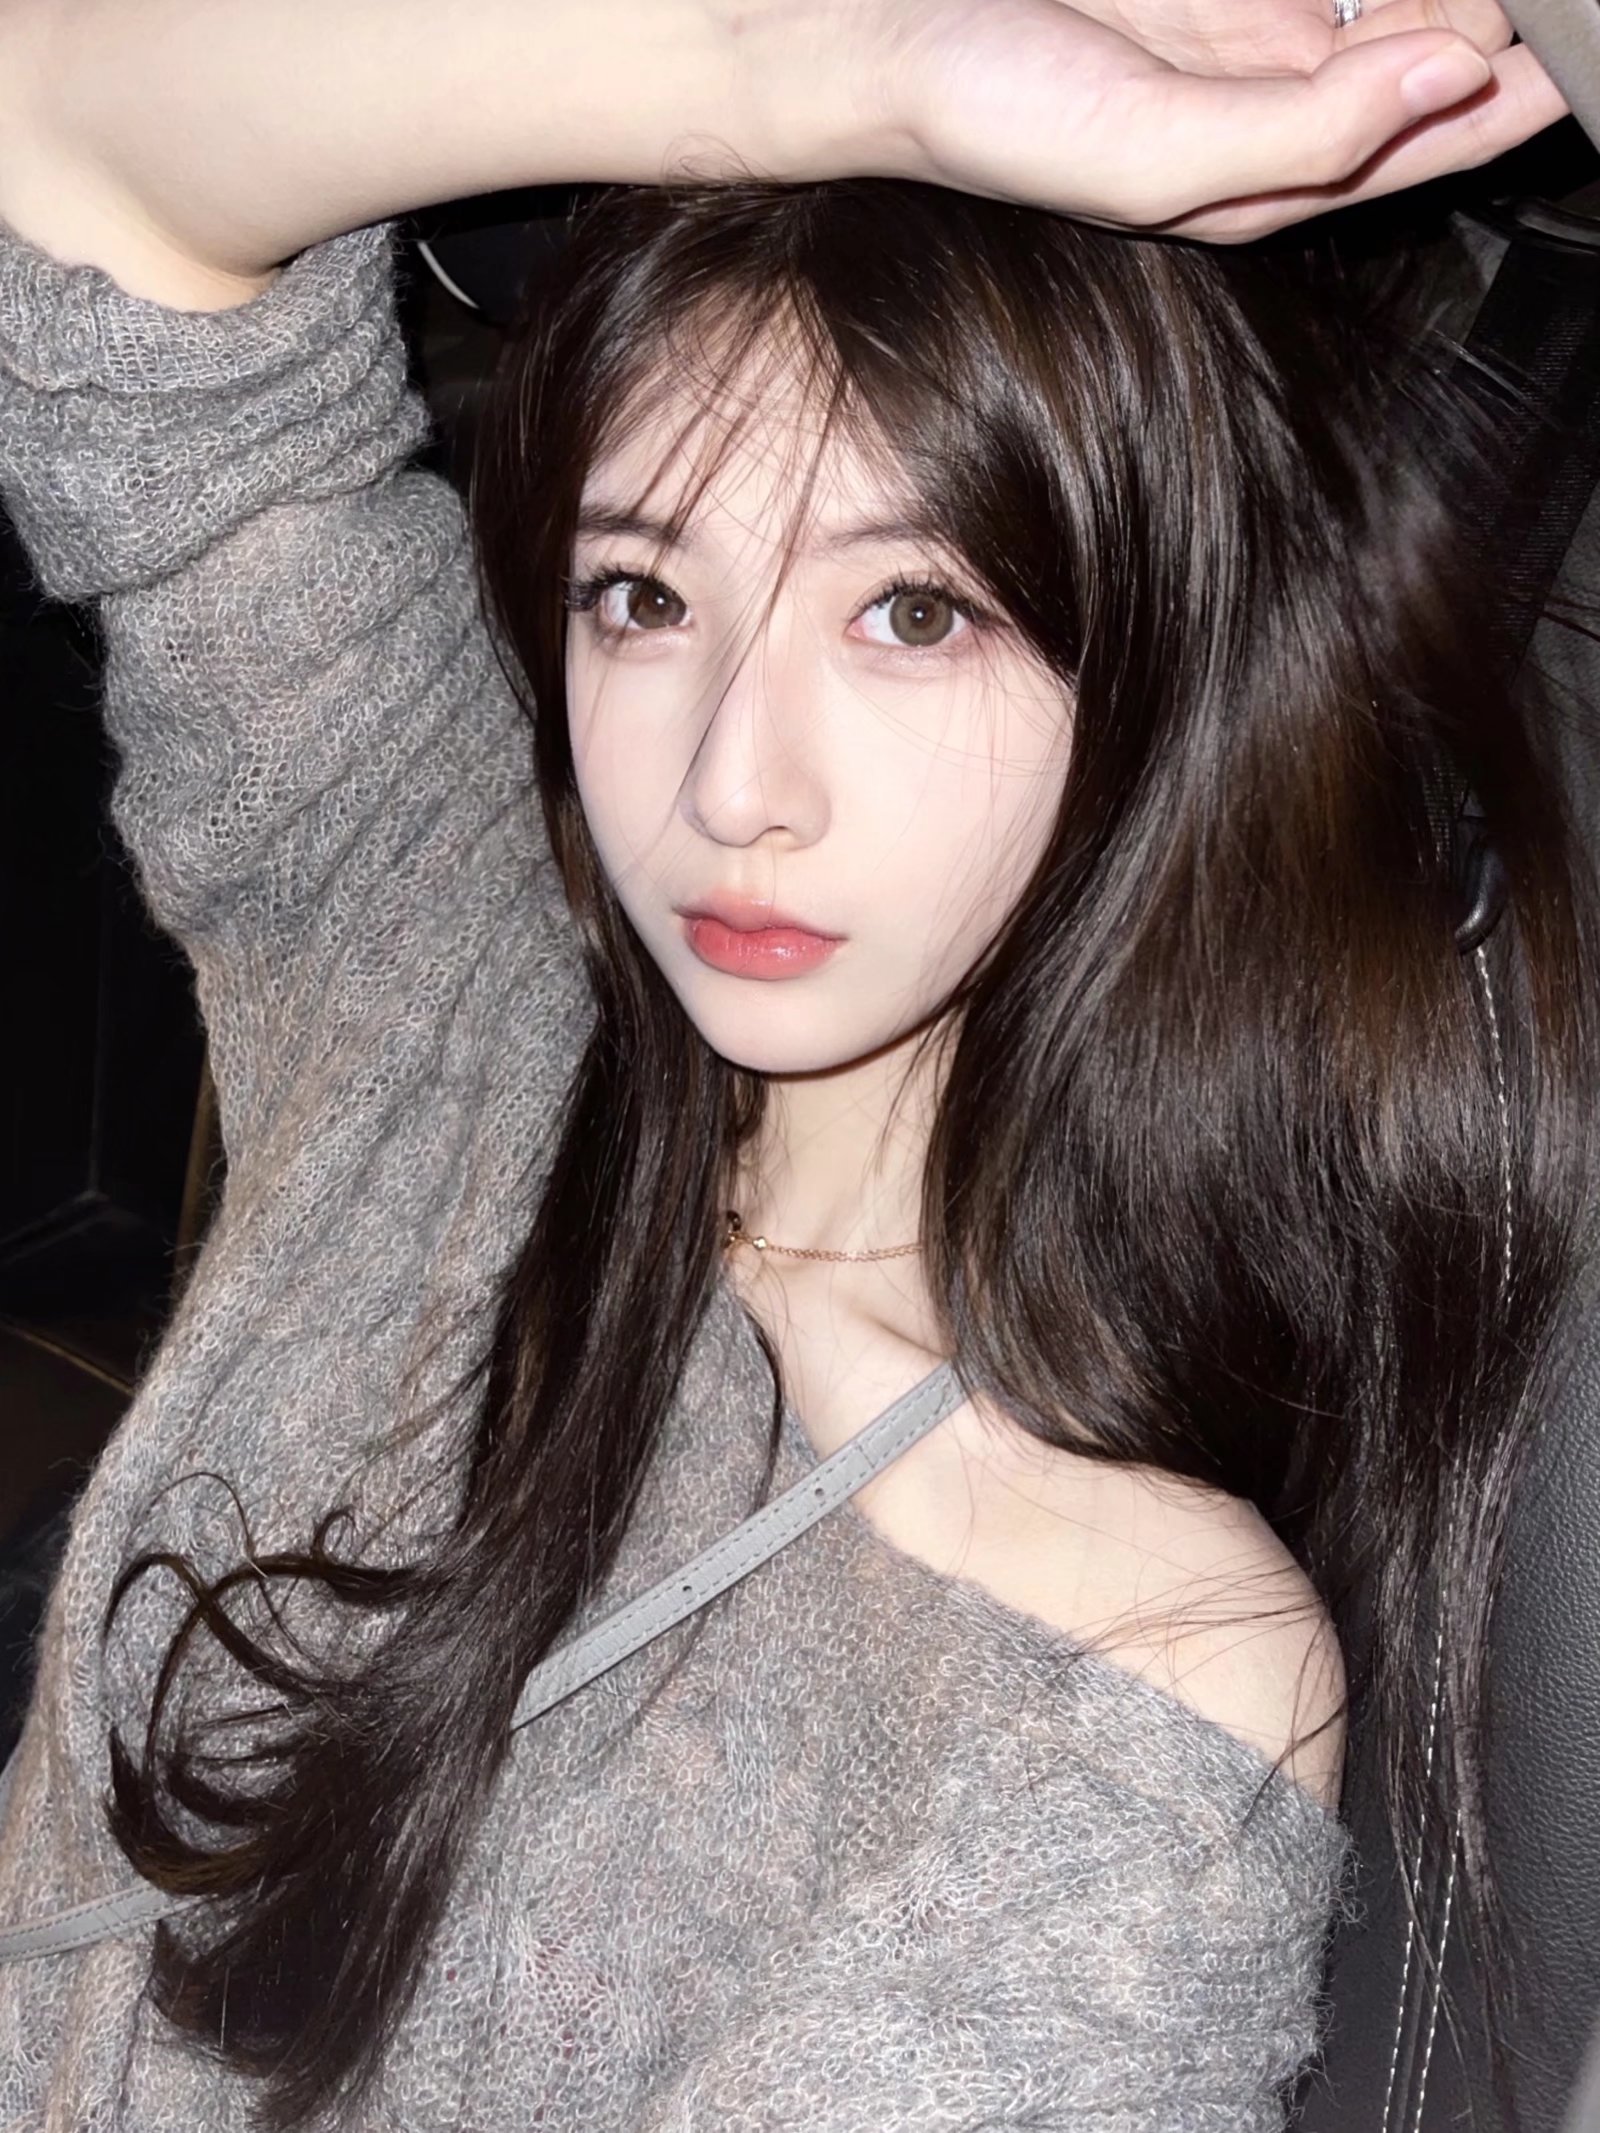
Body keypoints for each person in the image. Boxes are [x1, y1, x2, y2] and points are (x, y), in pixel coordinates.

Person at [0, 0, 1595, 2127]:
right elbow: (68, 154)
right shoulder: (446, 983)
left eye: (911, 612)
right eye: (643, 595)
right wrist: (835, 66)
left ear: (1153, 654)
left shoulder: (1148, 1682)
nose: (734, 783)